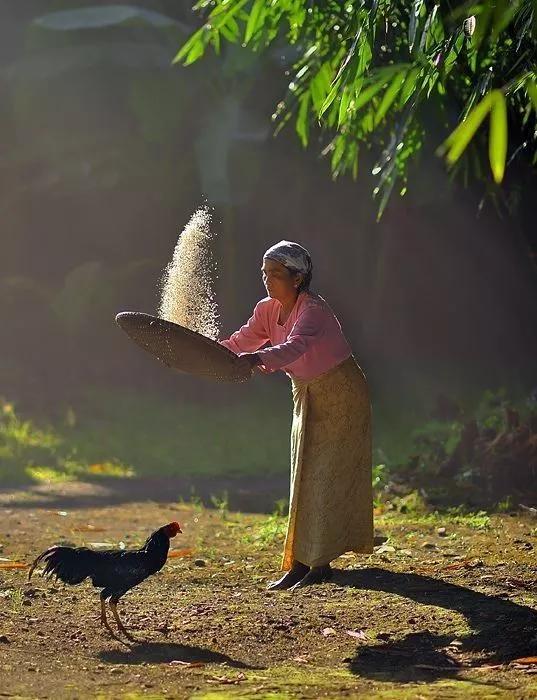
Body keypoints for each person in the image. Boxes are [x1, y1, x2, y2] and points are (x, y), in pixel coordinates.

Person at [219, 240, 373, 591]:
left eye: (275, 274)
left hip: (340, 391)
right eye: (264, 273)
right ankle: (305, 562)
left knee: (324, 475)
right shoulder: (267, 309)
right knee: (304, 473)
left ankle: (315, 564)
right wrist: (206, 355)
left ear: (298, 278)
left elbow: (294, 347)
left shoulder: (313, 310)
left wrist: (257, 359)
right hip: (305, 391)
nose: (268, 280)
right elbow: (243, 340)